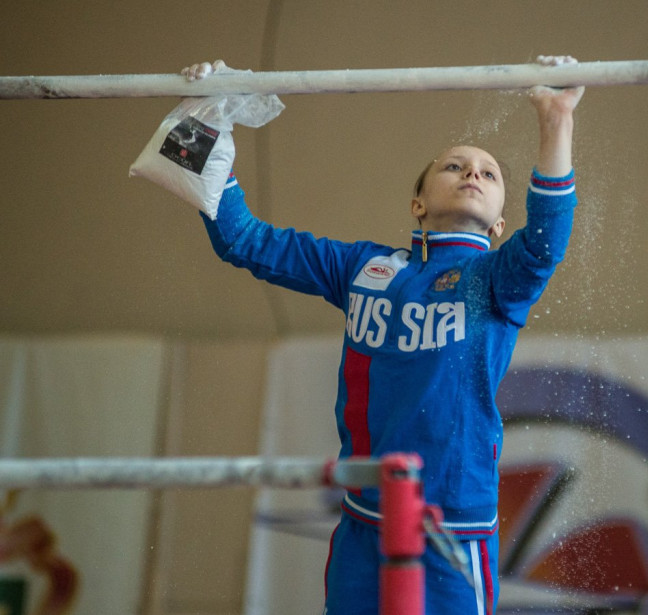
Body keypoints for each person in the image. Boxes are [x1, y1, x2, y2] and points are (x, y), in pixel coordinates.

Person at [182, 55, 584, 615]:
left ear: (499, 225)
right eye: (454, 166)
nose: (472, 173)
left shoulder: (496, 280)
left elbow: (543, 243)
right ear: (418, 204)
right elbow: (243, 240)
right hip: (363, 519)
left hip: (452, 527)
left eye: (488, 174)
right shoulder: (362, 268)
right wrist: (203, 124)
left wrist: (556, 119)